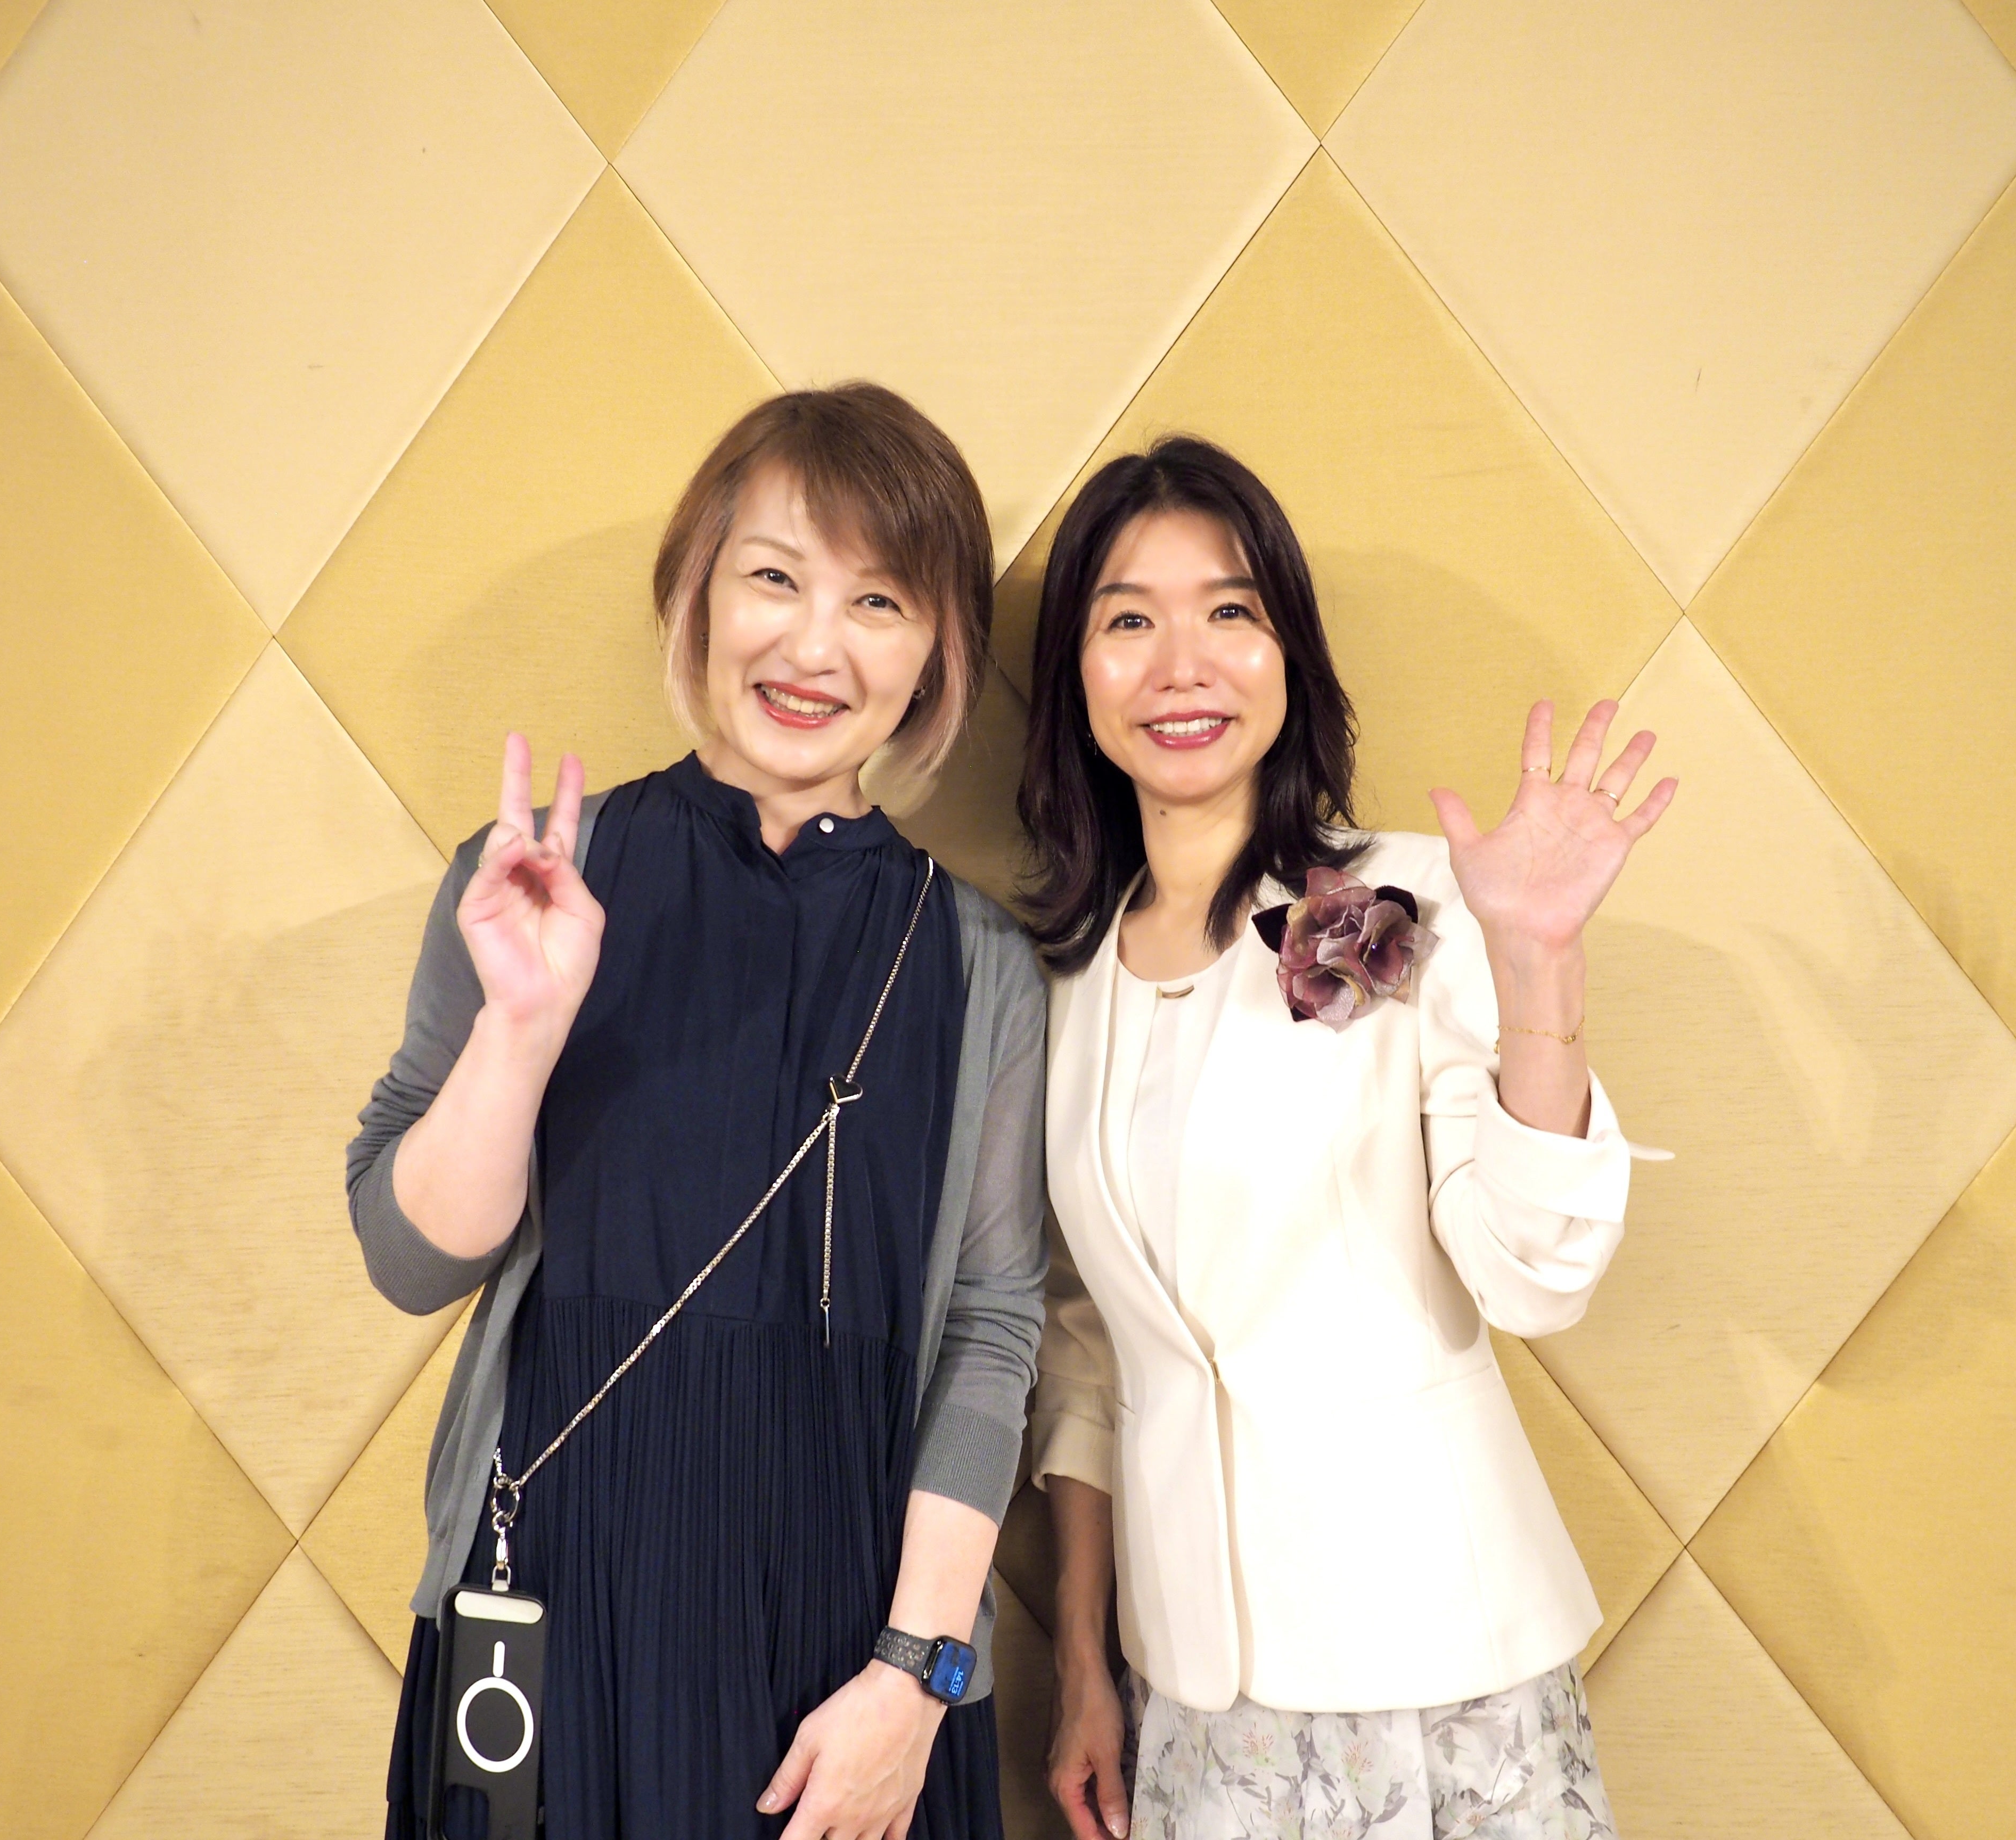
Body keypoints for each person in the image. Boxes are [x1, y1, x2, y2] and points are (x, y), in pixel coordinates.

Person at [347, 384, 1048, 1840]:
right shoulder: (534, 878)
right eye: (774, 578)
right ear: (697, 592)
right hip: (556, 1614)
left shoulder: (976, 962)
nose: (814, 646)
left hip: (852, 1661)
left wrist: (915, 1677)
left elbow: (992, 1332)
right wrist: (520, 1030)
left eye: (878, 602)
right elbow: (412, 1261)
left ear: (937, 652)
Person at [1016, 438, 1674, 1840]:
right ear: (1076, 674)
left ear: (1291, 657)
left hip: (1441, 1665)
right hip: (1194, 1695)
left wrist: (1541, 968)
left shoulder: (1408, 908)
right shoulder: (1063, 989)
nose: (1182, 664)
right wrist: (1084, 1663)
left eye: (1231, 611)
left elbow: (1536, 1274)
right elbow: (1089, 1347)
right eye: (1128, 620)